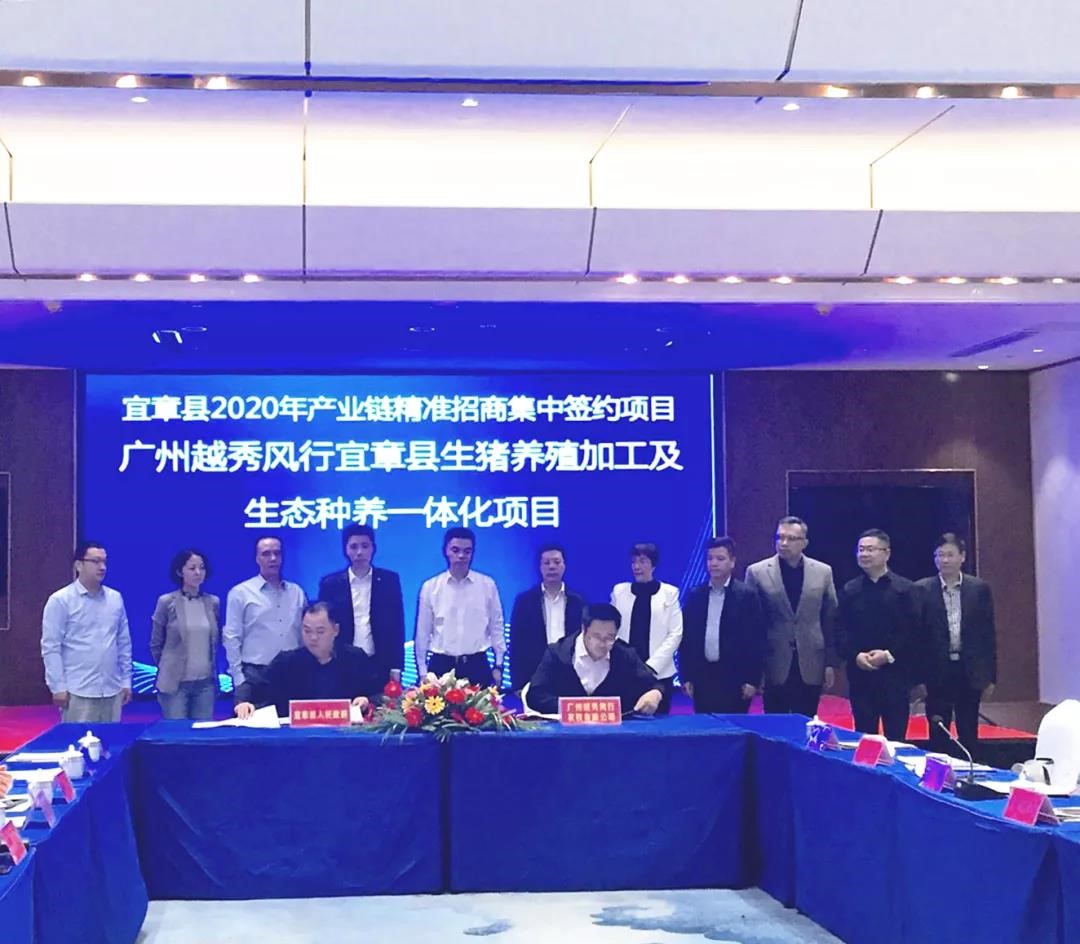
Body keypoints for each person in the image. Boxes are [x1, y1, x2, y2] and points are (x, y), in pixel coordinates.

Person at [745, 517, 838, 717]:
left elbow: (830, 619)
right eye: (779, 537)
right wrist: (755, 670)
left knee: (806, 722)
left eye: (791, 538)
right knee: (775, 724)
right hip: (774, 661)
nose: (784, 543)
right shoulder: (757, 572)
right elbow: (751, 625)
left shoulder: (823, 571)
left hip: (811, 660)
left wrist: (831, 662)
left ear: (805, 543)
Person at [915, 533, 997, 757]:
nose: (944, 560)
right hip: (936, 671)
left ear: (962, 556)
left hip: (969, 669)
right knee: (938, 729)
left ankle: (969, 770)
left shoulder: (979, 589)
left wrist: (990, 676)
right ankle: (939, 772)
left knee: (968, 729)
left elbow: (987, 635)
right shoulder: (921, 589)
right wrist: (918, 677)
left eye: (950, 555)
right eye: (939, 555)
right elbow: (917, 638)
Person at [836, 529, 922, 741]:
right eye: (861, 550)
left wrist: (889, 654)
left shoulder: (905, 589)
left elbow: (914, 631)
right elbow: (840, 629)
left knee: (896, 738)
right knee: (864, 738)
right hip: (861, 676)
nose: (864, 554)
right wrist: (855, 655)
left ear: (887, 553)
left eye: (870, 549)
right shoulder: (850, 590)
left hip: (896, 676)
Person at [235, 602, 380, 719]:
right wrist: (243, 703)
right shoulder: (286, 661)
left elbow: (378, 692)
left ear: (335, 630)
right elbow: (252, 685)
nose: (313, 638)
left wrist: (366, 700)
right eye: (307, 631)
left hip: (345, 736)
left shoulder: (354, 658)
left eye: (320, 631)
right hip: (295, 738)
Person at [41, 541, 132, 722]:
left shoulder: (115, 598)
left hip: (112, 689)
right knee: (78, 739)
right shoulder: (60, 600)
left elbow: (123, 643)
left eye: (104, 562)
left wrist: (126, 681)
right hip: (78, 691)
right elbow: (51, 647)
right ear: (78, 565)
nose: (102, 567)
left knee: (110, 739)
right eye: (96, 561)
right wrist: (57, 687)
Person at [526, 603, 664, 715]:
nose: (602, 644)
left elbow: (655, 684)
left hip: (612, 734)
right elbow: (535, 695)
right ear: (584, 630)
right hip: (564, 732)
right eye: (596, 636)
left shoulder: (625, 655)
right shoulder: (557, 653)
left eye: (609, 637)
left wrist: (655, 694)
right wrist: (576, 708)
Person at [680, 537, 766, 714]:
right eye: (710, 558)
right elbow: (687, 639)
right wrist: (686, 676)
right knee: (705, 727)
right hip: (702, 678)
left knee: (733, 726)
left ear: (732, 562)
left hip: (735, 680)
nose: (713, 563)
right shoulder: (695, 595)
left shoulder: (746, 596)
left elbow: (756, 640)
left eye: (720, 559)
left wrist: (752, 679)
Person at [415, 527, 505, 687]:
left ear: (472, 553)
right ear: (446, 551)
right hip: (441, 665)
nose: (461, 556)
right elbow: (422, 632)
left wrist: (498, 665)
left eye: (467, 551)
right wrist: (422, 672)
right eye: (455, 550)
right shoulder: (430, 587)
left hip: (477, 665)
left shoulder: (487, 585)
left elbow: (496, 626)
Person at [316, 523, 405, 684]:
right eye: (354, 546)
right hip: (341, 663)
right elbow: (324, 625)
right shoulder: (331, 584)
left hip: (380, 662)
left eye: (365, 546)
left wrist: (396, 667)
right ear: (345, 549)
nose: (359, 552)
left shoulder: (389, 580)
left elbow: (397, 626)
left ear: (373, 548)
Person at [224, 535, 307, 706]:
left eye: (277, 553)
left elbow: (304, 634)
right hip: (255, 675)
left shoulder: (297, 592)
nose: (273, 558)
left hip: (292, 673)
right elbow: (231, 637)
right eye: (266, 554)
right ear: (257, 558)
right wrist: (239, 679)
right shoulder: (240, 593)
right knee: (253, 723)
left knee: (292, 722)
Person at [610, 542, 683, 714]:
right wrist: (629, 663)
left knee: (660, 723)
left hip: (659, 674)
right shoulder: (619, 592)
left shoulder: (669, 593)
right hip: (626, 672)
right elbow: (612, 630)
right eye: (634, 562)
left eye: (642, 561)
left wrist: (650, 667)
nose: (637, 566)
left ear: (653, 565)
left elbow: (675, 634)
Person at [150, 548, 221, 720]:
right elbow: (155, 644)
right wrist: (169, 667)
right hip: (175, 684)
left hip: (205, 683)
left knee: (202, 732)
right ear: (179, 572)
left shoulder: (212, 602)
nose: (198, 572)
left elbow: (215, 641)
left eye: (201, 568)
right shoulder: (167, 602)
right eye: (192, 568)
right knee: (177, 732)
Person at [508, 544, 586, 692]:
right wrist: (518, 684)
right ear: (539, 567)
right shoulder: (524, 601)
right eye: (546, 563)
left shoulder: (579, 601)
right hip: (534, 674)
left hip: (570, 674)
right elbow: (516, 644)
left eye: (557, 562)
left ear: (564, 566)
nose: (552, 567)